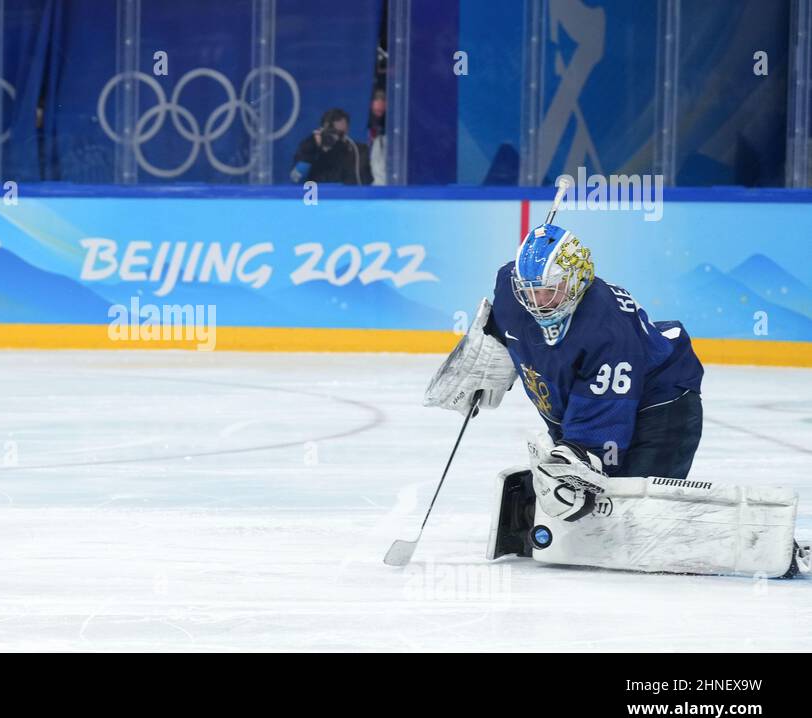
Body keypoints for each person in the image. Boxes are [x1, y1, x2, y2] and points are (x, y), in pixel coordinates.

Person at [420, 222, 808, 577]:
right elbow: (506, 318)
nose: (538, 302)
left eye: (548, 290)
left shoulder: (607, 328)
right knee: (596, 513)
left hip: (662, 403)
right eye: (530, 290)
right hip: (593, 399)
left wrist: (581, 466)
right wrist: (489, 349)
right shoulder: (510, 285)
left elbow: (600, 426)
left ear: (576, 280)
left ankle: (768, 546)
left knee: (636, 517)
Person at [289, 108, 371, 185]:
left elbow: (360, 183)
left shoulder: (356, 151)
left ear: (347, 131)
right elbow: (296, 178)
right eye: (332, 132)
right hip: (314, 196)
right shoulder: (310, 146)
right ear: (321, 129)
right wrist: (312, 150)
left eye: (341, 134)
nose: (336, 137)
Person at [367, 89, 386, 186]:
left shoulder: (385, 137)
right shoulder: (364, 129)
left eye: (382, 112)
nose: (379, 115)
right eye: (376, 111)